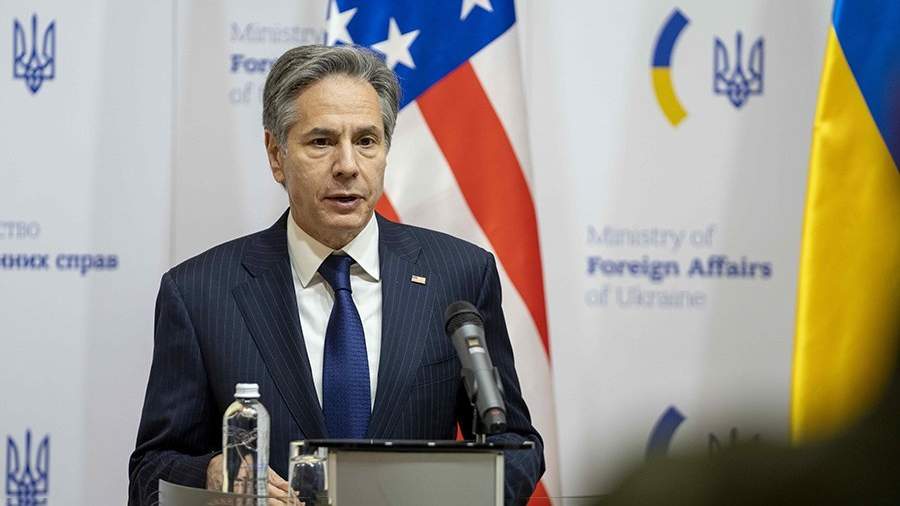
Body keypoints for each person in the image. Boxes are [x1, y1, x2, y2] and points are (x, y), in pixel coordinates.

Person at [128, 44, 544, 505]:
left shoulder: (459, 275)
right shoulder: (200, 293)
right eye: (321, 142)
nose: (347, 166)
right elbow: (150, 471)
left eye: (366, 141)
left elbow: (516, 447)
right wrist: (210, 475)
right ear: (276, 155)